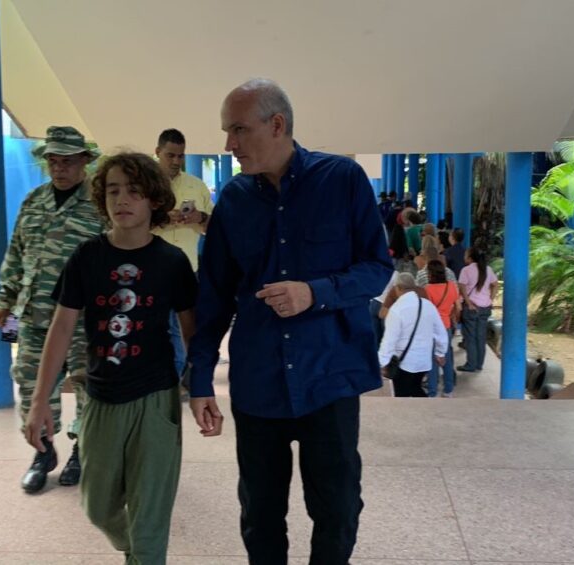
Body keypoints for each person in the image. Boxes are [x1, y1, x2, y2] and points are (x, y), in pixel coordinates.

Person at [187, 78, 392, 564]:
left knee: (338, 509)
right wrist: (200, 379)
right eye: (226, 131)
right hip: (259, 383)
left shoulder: (342, 179)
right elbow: (213, 297)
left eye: (238, 129)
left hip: (330, 378)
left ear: (277, 124)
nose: (229, 144)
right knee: (260, 515)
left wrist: (314, 293)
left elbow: (377, 268)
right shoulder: (233, 200)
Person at [24, 152, 197, 563]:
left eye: (134, 191)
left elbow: (193, 331)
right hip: (101, 400)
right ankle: (137, 549)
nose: (122, 200)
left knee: (150, 518)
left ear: (154, 200)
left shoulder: (172, 262)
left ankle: (144, 553)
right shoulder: (87, 257)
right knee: (97, 506)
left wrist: (201, 390)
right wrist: (39, 400)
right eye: (113, 191)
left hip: (156, 401)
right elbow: (61, 329)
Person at [0, 126, 104, 493]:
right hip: (35, 315)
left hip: (84, 317)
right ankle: (43, 453)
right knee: (29, 385)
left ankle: (82, 451)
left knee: (87, 386)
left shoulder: (99, 203)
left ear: (84, 161)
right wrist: (5, 299)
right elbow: (16, 252)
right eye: (53, 161)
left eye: (67, 161)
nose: (59, 168)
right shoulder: (34, 200)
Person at [152, 128, 214, 377]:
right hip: (152, 272)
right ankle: (167, 382)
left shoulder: (196, 186)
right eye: (170, 155)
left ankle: (183, 381)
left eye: (181, 156)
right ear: (157, 152)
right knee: (158, 333)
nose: (176, 161)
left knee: (187, 332)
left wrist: (200, 217)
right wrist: (162, 219)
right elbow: (128, 225)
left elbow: (214, 227)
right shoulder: (143, 186)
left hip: (187, 272)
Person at [379, 273, 448, 397]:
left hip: (404, 361)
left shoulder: (396, 309)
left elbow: (389, 340)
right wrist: (440, 352)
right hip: (424, 360)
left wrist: (382, 362)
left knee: (402, 395)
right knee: (416, 388)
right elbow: (440, 331)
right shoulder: (428, 305)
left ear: (398, 288)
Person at [457, 247, 498, 372]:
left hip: (471, 307)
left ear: (470, 257)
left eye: (466, 254)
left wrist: (468, 302)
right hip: (485, 307)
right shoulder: (488, 269)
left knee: (470, 337)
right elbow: (495, 284)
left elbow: (462, 287)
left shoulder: (466, 270)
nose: (464, 257)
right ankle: (479, 364)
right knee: (481, 337)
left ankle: (471, 365)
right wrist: (490, 299)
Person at [424, 260, 460, 397]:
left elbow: (427, 311)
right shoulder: (451, 286)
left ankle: (432, 391)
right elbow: (457, 306)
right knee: (447, 358)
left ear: (430, 273)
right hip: (446, 326)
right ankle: (448, 389)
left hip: (432, 328)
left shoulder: (428, 289)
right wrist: (453, 318)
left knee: (432, 359)